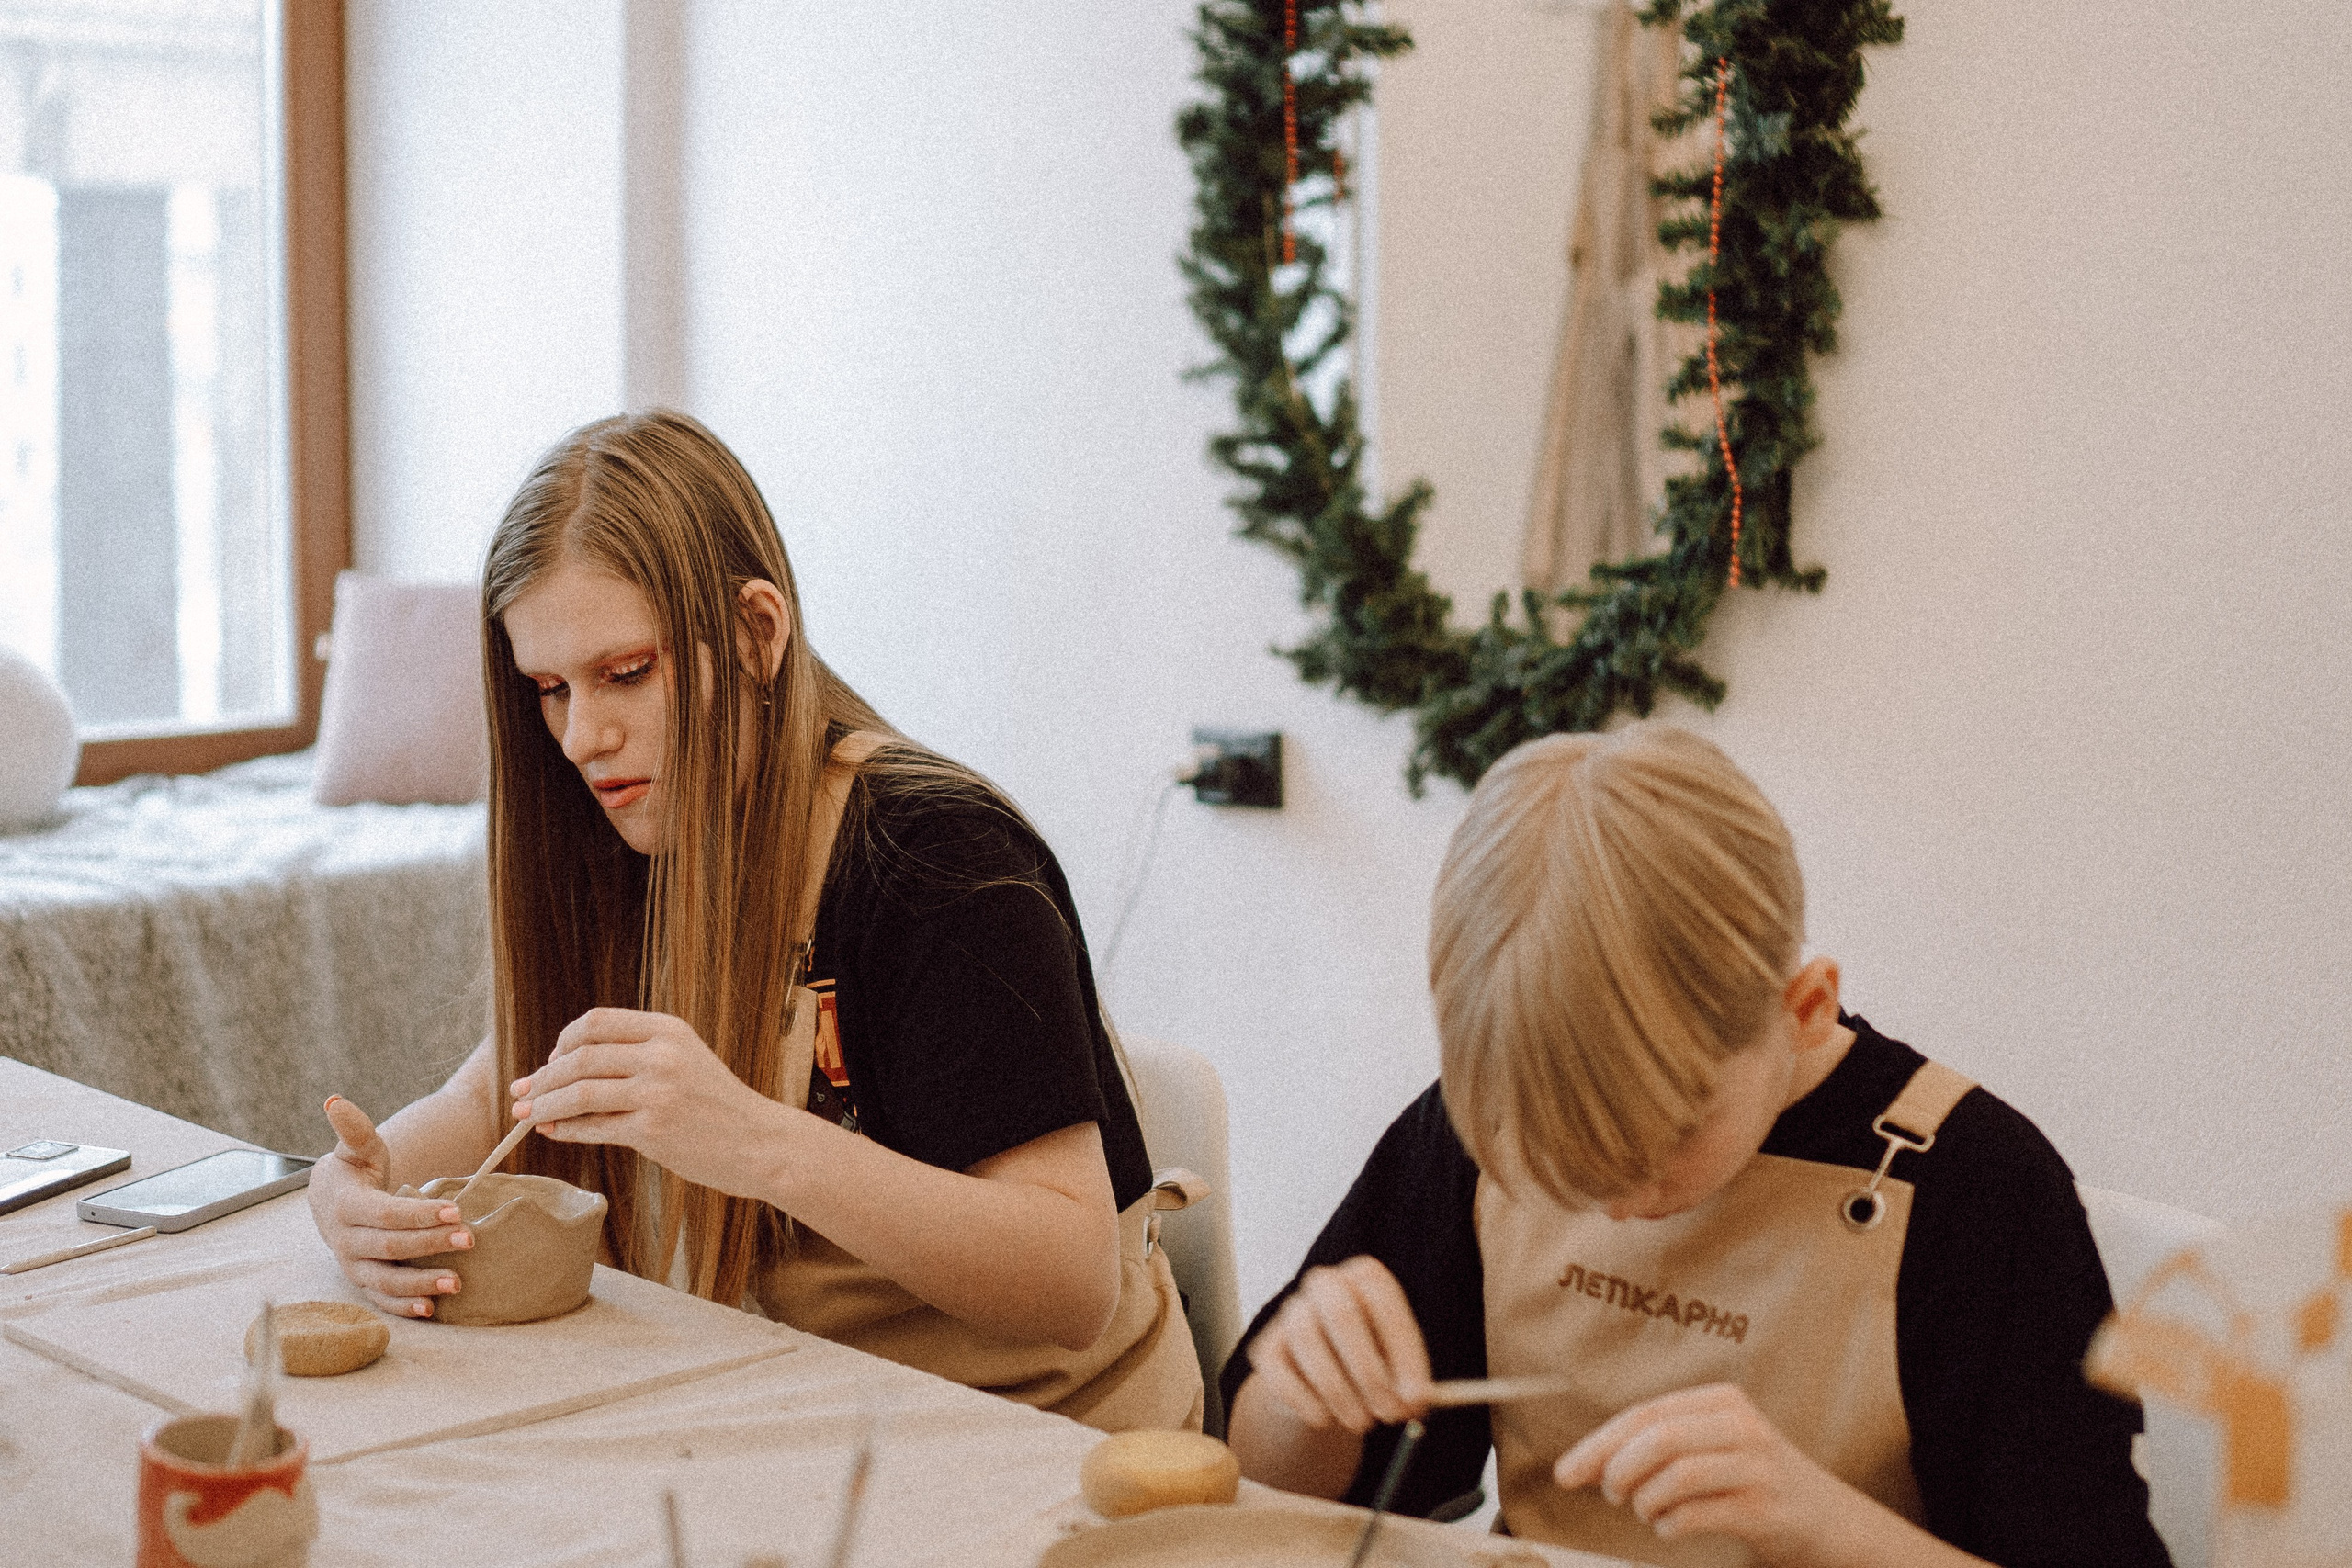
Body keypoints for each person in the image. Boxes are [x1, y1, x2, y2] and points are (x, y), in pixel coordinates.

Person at [305, 409, 1200, 1432]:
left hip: (1045, 1445)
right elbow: (493, 1099)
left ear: (756, 634)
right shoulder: (633, 829)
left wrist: (747, 1137)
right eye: (549, 690)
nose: (583, 736)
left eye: (626, 674)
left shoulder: (937, 859)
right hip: (819, 1414)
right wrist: (359, 1194)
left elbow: (1068, 1280)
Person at [1221, 724, 2170, 1565]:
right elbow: (1276, 1504)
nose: (1618, 1205)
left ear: (1803, 1008)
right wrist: (1295, 1396)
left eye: (1664, 1141)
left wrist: (1819, 1524)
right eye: (1563, 1170)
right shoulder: (1487, 1125)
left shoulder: (1978, 1193)